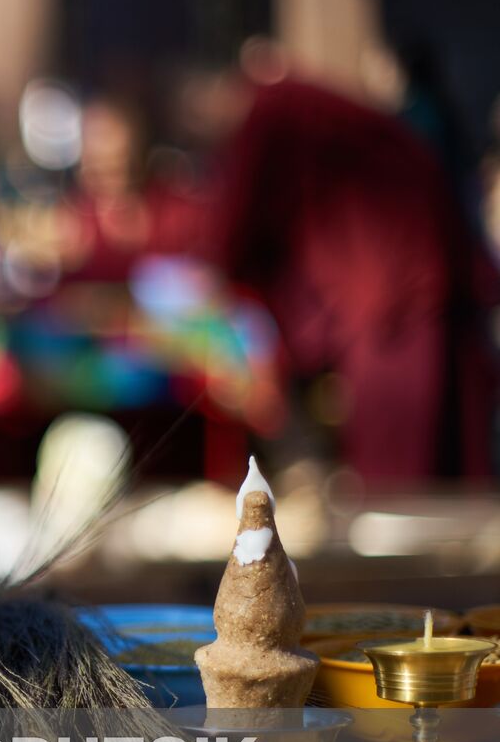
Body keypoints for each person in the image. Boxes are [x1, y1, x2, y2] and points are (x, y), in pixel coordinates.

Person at [177, 67, 496, 482]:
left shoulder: (271, 115)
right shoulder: (304, 113)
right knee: (447, 458)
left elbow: (232, 235)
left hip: (394, 292)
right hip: (425, 266)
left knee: (399, 473)